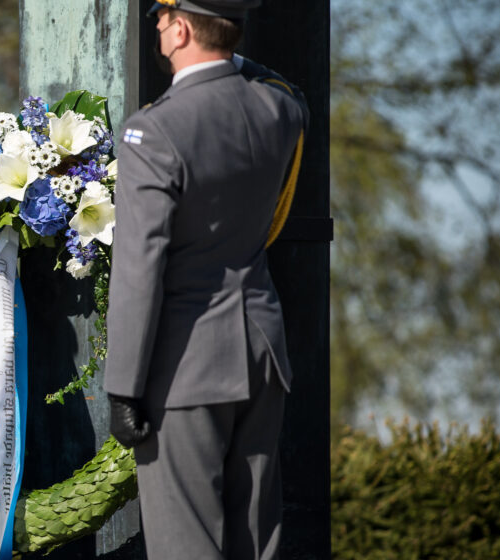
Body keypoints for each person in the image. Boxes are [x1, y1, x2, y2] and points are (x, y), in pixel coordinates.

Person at [104, 2, 308, 559]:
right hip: (262, 351)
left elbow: (140, 267)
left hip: (187, 363)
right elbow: (284, 90)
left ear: (182, 27)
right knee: (255, 544)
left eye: (163, 15)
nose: (158, 26)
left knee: (184, 545)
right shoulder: (279, 110)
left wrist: (123, 386)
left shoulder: (156, 129)